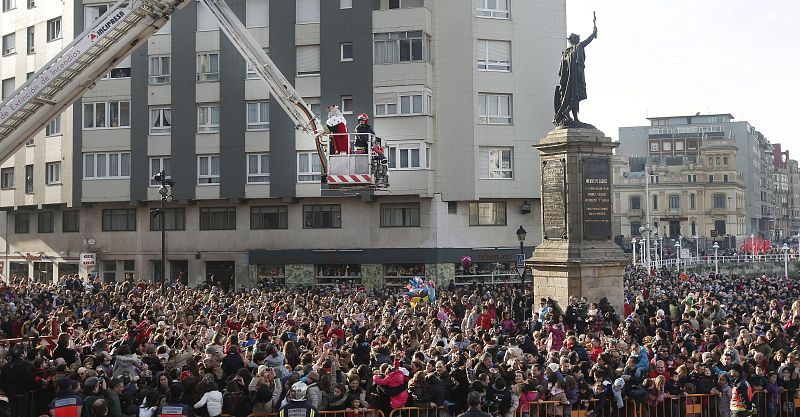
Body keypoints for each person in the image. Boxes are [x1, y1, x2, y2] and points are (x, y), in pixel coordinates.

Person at [553, 15, 597, 126]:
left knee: (573, 97)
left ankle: (575, 117)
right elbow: (587, 41)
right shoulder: (578, 47)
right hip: (575, 79)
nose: (579, 39)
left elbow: (561, 71)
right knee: (577, 96)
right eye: (577, 38)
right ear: (575, 40)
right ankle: (567, 111)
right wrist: (594, 32)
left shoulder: (565, 53)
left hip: (567, 82)